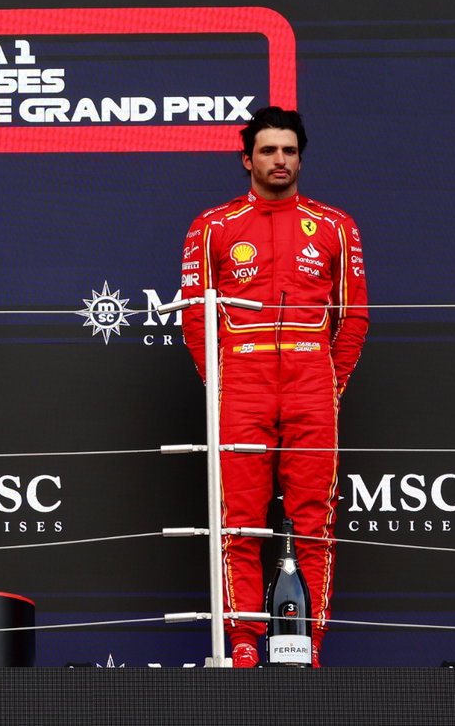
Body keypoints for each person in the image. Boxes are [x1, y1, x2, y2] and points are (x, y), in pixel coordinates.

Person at [180, 107, 367, 667]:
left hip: (312, 384)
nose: (279, 160)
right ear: (247, 159)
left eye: (288, 150)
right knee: (239, 522)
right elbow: (195, 316)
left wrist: (330, 386)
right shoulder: (212, 225)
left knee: (314, 521)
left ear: (300, 158)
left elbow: (353, 318)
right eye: (268, 150)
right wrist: (221, 387)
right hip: (242, 385)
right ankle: (241, 649)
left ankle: (308, 649)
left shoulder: (336, 225)